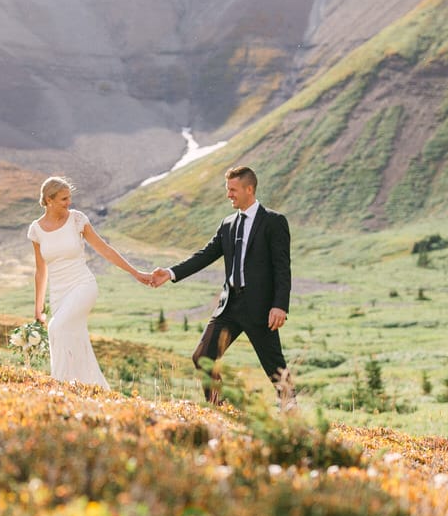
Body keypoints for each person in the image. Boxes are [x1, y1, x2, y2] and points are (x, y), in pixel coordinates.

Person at [149, 165, 294, 407]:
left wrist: (279, 305)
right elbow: (205, 255)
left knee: (275, 369)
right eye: (228, 190)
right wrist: (171, 273)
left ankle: (291, 413)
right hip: (229, 306)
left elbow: (282, 267)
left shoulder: (273, 221)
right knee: (203, 357)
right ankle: (218, 406)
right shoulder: (227, 224)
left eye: (233, 190)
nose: (229, 195)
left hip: (260, 308)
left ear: (249, 189)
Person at [28, 175, 151, 388]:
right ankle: (87, 388)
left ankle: (58, 386)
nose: (69, 203)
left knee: (55, 329)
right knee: (72, 338)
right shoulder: (36, 230)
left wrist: (134, 272)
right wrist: (38, 308)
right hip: (58, 294)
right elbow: (41, 271)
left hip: (82, 285)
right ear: (49, 200)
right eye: (64, 199)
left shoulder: (77, 219)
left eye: (69, 198)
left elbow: (104, 249)